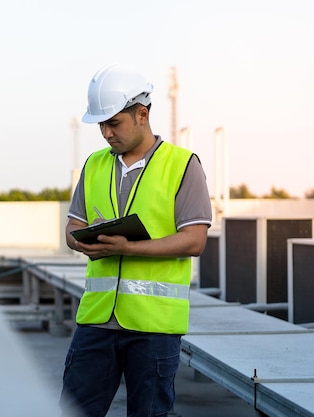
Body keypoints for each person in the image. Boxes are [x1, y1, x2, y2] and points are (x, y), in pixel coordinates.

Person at [60, 64, 212, 417]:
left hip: (153, 328)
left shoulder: (182, 165)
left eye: (114, 123)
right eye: (101, 125)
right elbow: (71, 227)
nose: (106, 133)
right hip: (96, 321)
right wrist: (81, 241)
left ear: (142, 115)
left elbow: (194, 240)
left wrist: (128, 248)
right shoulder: (94, 165)